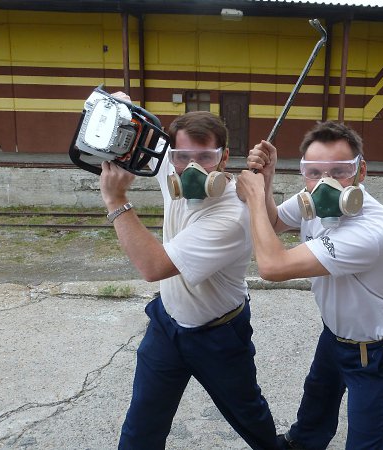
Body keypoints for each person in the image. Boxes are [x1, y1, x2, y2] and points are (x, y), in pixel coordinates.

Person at [100, 99, 279, 450]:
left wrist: (116, 200)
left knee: (249, 415)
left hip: (218, 334)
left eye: (205, 157)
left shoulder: (232, 215)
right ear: (172, 155)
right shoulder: (172, 167)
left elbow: (153, 267)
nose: (191, 168)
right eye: (182, 157)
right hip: (167, 324)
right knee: (142, 424)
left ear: (224, 158)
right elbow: (129, 117)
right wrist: (118, 108)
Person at [237, 121, 383, 450]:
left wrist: (253, 196)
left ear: (361, 171)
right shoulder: (313, 200)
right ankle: (303, 443)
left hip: (374, 347)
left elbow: (273, 266)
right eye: (314, 172)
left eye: (340, 171)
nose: (325, 182)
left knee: (366, 434)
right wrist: (267, 179)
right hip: (335, 331)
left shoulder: (370, 231)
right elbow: (274, 222)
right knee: (319, 393)